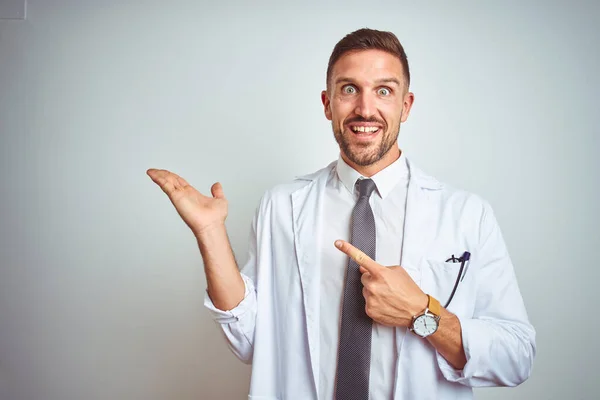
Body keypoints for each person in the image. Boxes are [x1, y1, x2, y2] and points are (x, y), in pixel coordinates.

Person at [147, 28, 536, 400]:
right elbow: (251, 340)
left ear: (406, 106)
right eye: (349, 89)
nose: (365, 109)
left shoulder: (467, 214)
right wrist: (210, 233)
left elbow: (516, 356)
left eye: (384, 90)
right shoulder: (282, 206)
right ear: (327, 103)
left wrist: (421, 310)